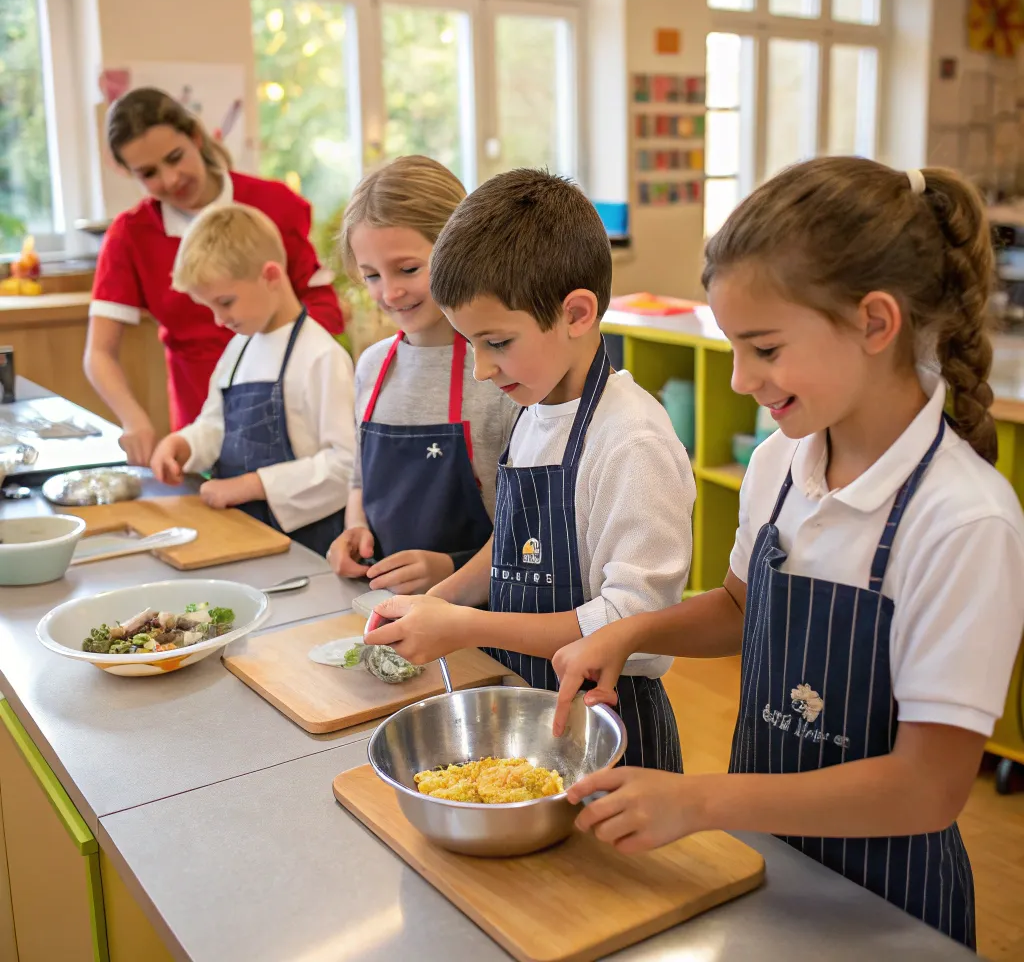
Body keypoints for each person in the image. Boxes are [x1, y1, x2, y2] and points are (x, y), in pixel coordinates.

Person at [549, 159, 1024, 949]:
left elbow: (927, 789)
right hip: (761, 862)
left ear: (876, 323)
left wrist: (700, 801)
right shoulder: (778, 464)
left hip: (889, 906)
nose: (741, 380)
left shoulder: (963, 521)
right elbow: (740, 607)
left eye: (764, 348)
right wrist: (625, 634)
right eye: (733, 348)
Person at [366, 169, 696, 772]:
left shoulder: (631, 442)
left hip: (609, 725)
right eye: (472, 347)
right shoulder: (540, 403)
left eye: (496, 343)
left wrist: (464, 625)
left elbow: (630, 620)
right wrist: (439, 601)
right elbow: (513, 545)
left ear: (575, 313)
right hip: (524, 707)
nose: (482, 373)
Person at [84, 87, 345, 463]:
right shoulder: (131, 235)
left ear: (195, 137)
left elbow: (325, 306)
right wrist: (133, 420)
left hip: (291, 416)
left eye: (175, 158)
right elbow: (99, 353)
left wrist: (274, 350)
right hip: (200, 426)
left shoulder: (274, 205)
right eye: (149, 173)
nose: (171, 179)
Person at [326, 156, 518, 595]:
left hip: (483, 617)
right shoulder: (373, 367)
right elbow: (360, 477)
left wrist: (453, 569)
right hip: (389, 611)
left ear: (460, 250)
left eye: (408, 269)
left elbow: (534, 528)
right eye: (371, 276)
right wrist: (355, 527)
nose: (389, 292)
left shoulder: (499, 372)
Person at [149, 204, 354, 556]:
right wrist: (184, 446)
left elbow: (346, 465)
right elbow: (217, 425)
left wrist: (255, 485)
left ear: (271, 276)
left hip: (304, 545)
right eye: (209, 307)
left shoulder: (321, 357)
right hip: (242, 532)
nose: (218, 319)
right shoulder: (238, 348)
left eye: (225, 302)